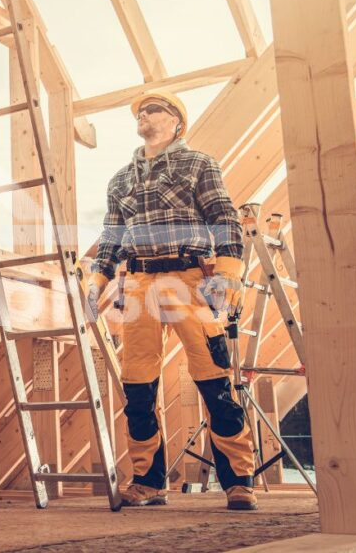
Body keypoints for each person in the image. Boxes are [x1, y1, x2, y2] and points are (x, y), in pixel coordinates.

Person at [85, 89, 257, 511]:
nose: (144, 114)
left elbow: (223, 219)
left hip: (190, 276)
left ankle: (238, 481)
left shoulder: (198, 164)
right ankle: (147, 481)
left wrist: (230, 274)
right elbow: (111, 239)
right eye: (140, 111)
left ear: (177, 122)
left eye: (154, 109)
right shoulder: (120, 179)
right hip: (140, 282)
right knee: (138, 386)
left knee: (214, 380)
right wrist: (97, 281)